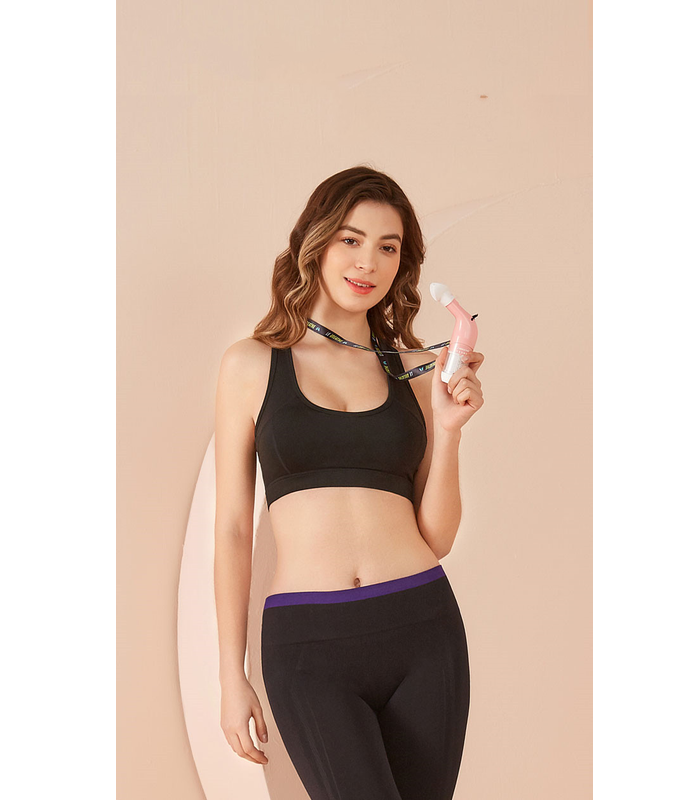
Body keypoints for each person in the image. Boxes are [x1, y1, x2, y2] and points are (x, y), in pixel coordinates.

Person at [214, 166, 485, 799]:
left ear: (402, 264)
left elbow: (436, 538)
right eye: (351, 239)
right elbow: (231, 528)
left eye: (388, 247)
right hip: (309, 645)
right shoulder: (251, 365)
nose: (368, 262)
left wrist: (449, 432)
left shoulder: (417, 371)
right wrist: (231, 673)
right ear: (316, 242)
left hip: (422, 628)